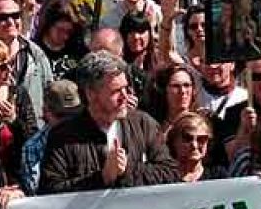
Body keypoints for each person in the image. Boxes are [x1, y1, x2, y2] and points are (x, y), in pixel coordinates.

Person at [39, 51, 178, 192]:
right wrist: (102, 178)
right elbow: (50, 191)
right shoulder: (63, 136)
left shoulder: (144, 125)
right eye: (116, 91)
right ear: (91, 94)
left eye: (125, 88)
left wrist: (127, 170)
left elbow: (170, 173)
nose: (125, 97)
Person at [19, 78, 81, 194]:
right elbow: (36, 191)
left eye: (74, 114)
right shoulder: (33, 147)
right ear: (46, 112)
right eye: (61, 115)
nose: (68, 120)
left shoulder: (91, 137)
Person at [165, 111, 227, 183]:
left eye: (201, 139)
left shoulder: (219, 177)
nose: (194, 145)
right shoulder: (164, 177)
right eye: (187, 138)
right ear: (174, 141)